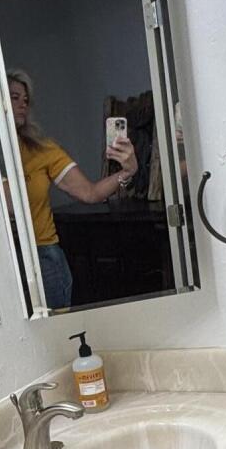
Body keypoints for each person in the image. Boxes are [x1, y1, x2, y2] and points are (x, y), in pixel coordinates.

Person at [7, 69, 137, 310]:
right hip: (1, 262)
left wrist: (126, 172)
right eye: (14, 98)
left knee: (59, 333)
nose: (22, 105)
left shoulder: (42, 150)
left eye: (25, 100)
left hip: (43, 257)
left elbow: (90, 193)